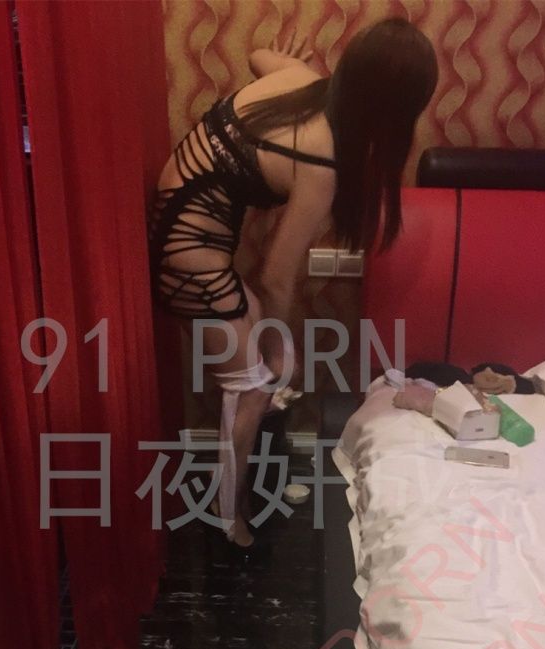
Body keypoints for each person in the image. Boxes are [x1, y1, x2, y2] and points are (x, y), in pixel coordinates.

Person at [149, 18, 438, 556]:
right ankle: (225, 519)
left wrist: (284, 59)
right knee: (255, 385)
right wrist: (281, 346)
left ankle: (252, 485)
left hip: (184, 230)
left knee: (265, 378)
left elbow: (259, 56)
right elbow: (277, 275)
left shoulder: (300, 82)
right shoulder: (322, 159)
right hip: (187, 250)